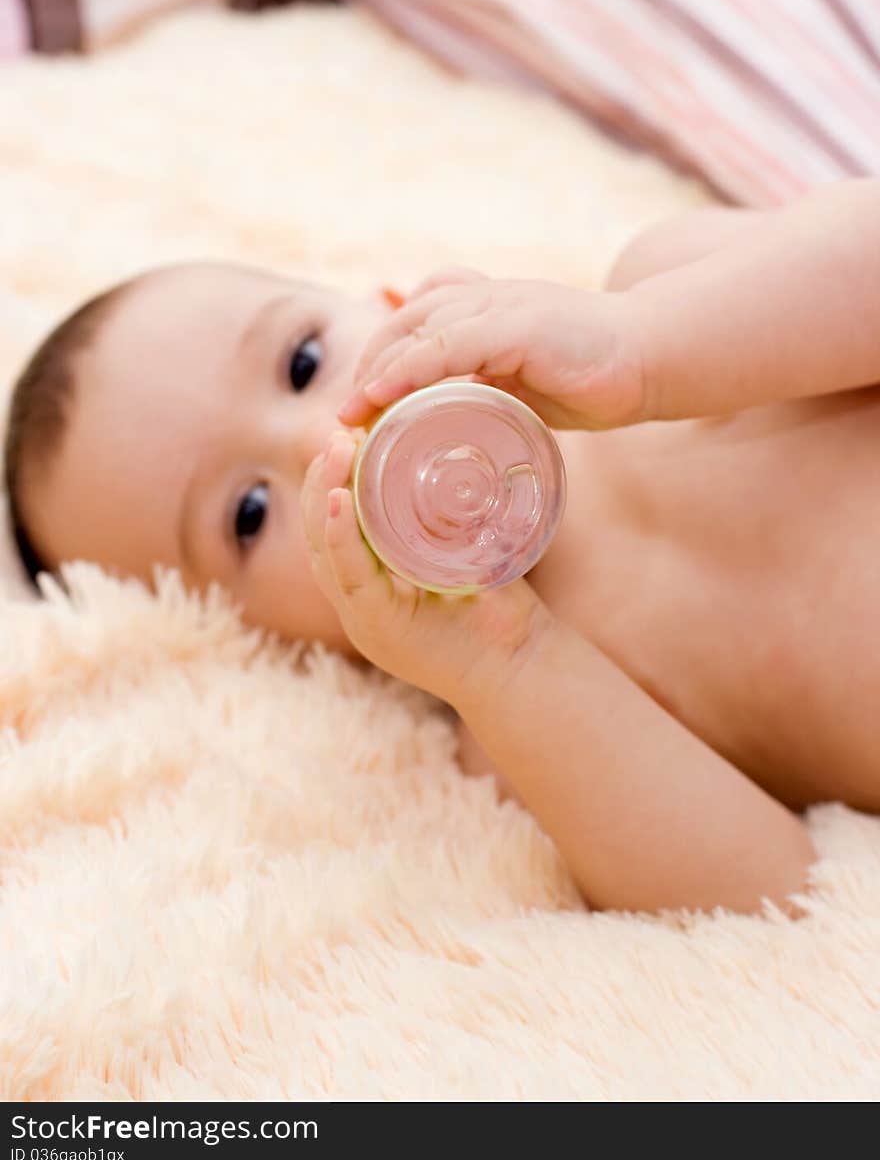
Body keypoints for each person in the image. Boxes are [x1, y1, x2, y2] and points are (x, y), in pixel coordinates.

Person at [7, 177, 880, 917]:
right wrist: (509, 665)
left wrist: (646, 350)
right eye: (249, 514)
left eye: (304, 361)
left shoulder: (659, 288)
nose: (320, 438)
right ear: (284, 644)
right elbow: (764, 888)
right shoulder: (512, 735)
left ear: (397, 305)